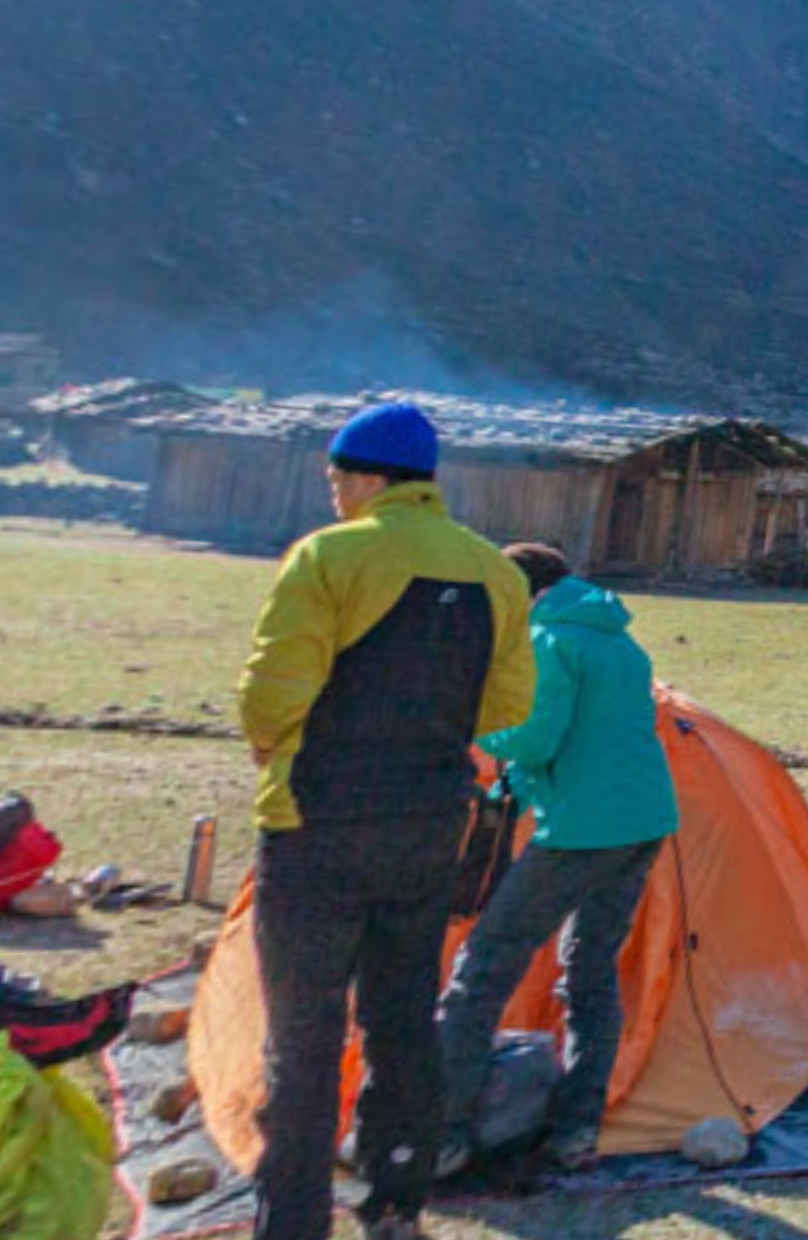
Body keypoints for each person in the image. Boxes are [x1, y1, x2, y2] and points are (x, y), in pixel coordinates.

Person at [234, 402, 532, 1240]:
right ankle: (397, 1200)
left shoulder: (330, 556)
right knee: (403, 1019)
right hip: (430, 825)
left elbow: (271, 693)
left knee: (303, 1033)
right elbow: (509, 704)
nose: (334, 497)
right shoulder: (496, 573)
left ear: (366, 478)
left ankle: (293, 1221)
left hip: (316, 827)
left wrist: (273, 745)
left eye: (336, 482)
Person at [432, 541, 679, 1177]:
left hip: (582, 832)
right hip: (644, 823)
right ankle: (576, 1132)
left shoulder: (549, 640)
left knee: (482, 967)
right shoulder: (621, 642)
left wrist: (475, 730)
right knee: (590, 970)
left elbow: (539, 739)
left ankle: (446, 1132)